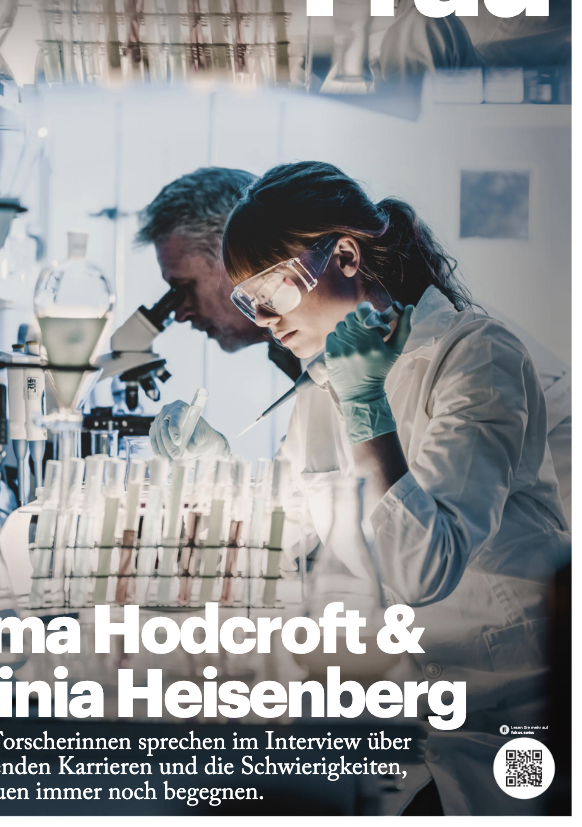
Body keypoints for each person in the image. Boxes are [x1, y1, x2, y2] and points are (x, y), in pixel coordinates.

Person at [151, 161, 570, 815]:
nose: (261, 316)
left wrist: (365, 405)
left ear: (344, 255)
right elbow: (282, 540)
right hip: (396, 717)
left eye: (270, 289)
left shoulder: (478, 356)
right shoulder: (320, 389)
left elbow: (419, 569)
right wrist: (217, 472)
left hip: (504, 726)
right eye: (245, 300)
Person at [135, 167, 302, 380]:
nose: (180, 315)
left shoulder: (335, 345)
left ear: (237, 253)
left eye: (185, 287)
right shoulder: (288, 352)